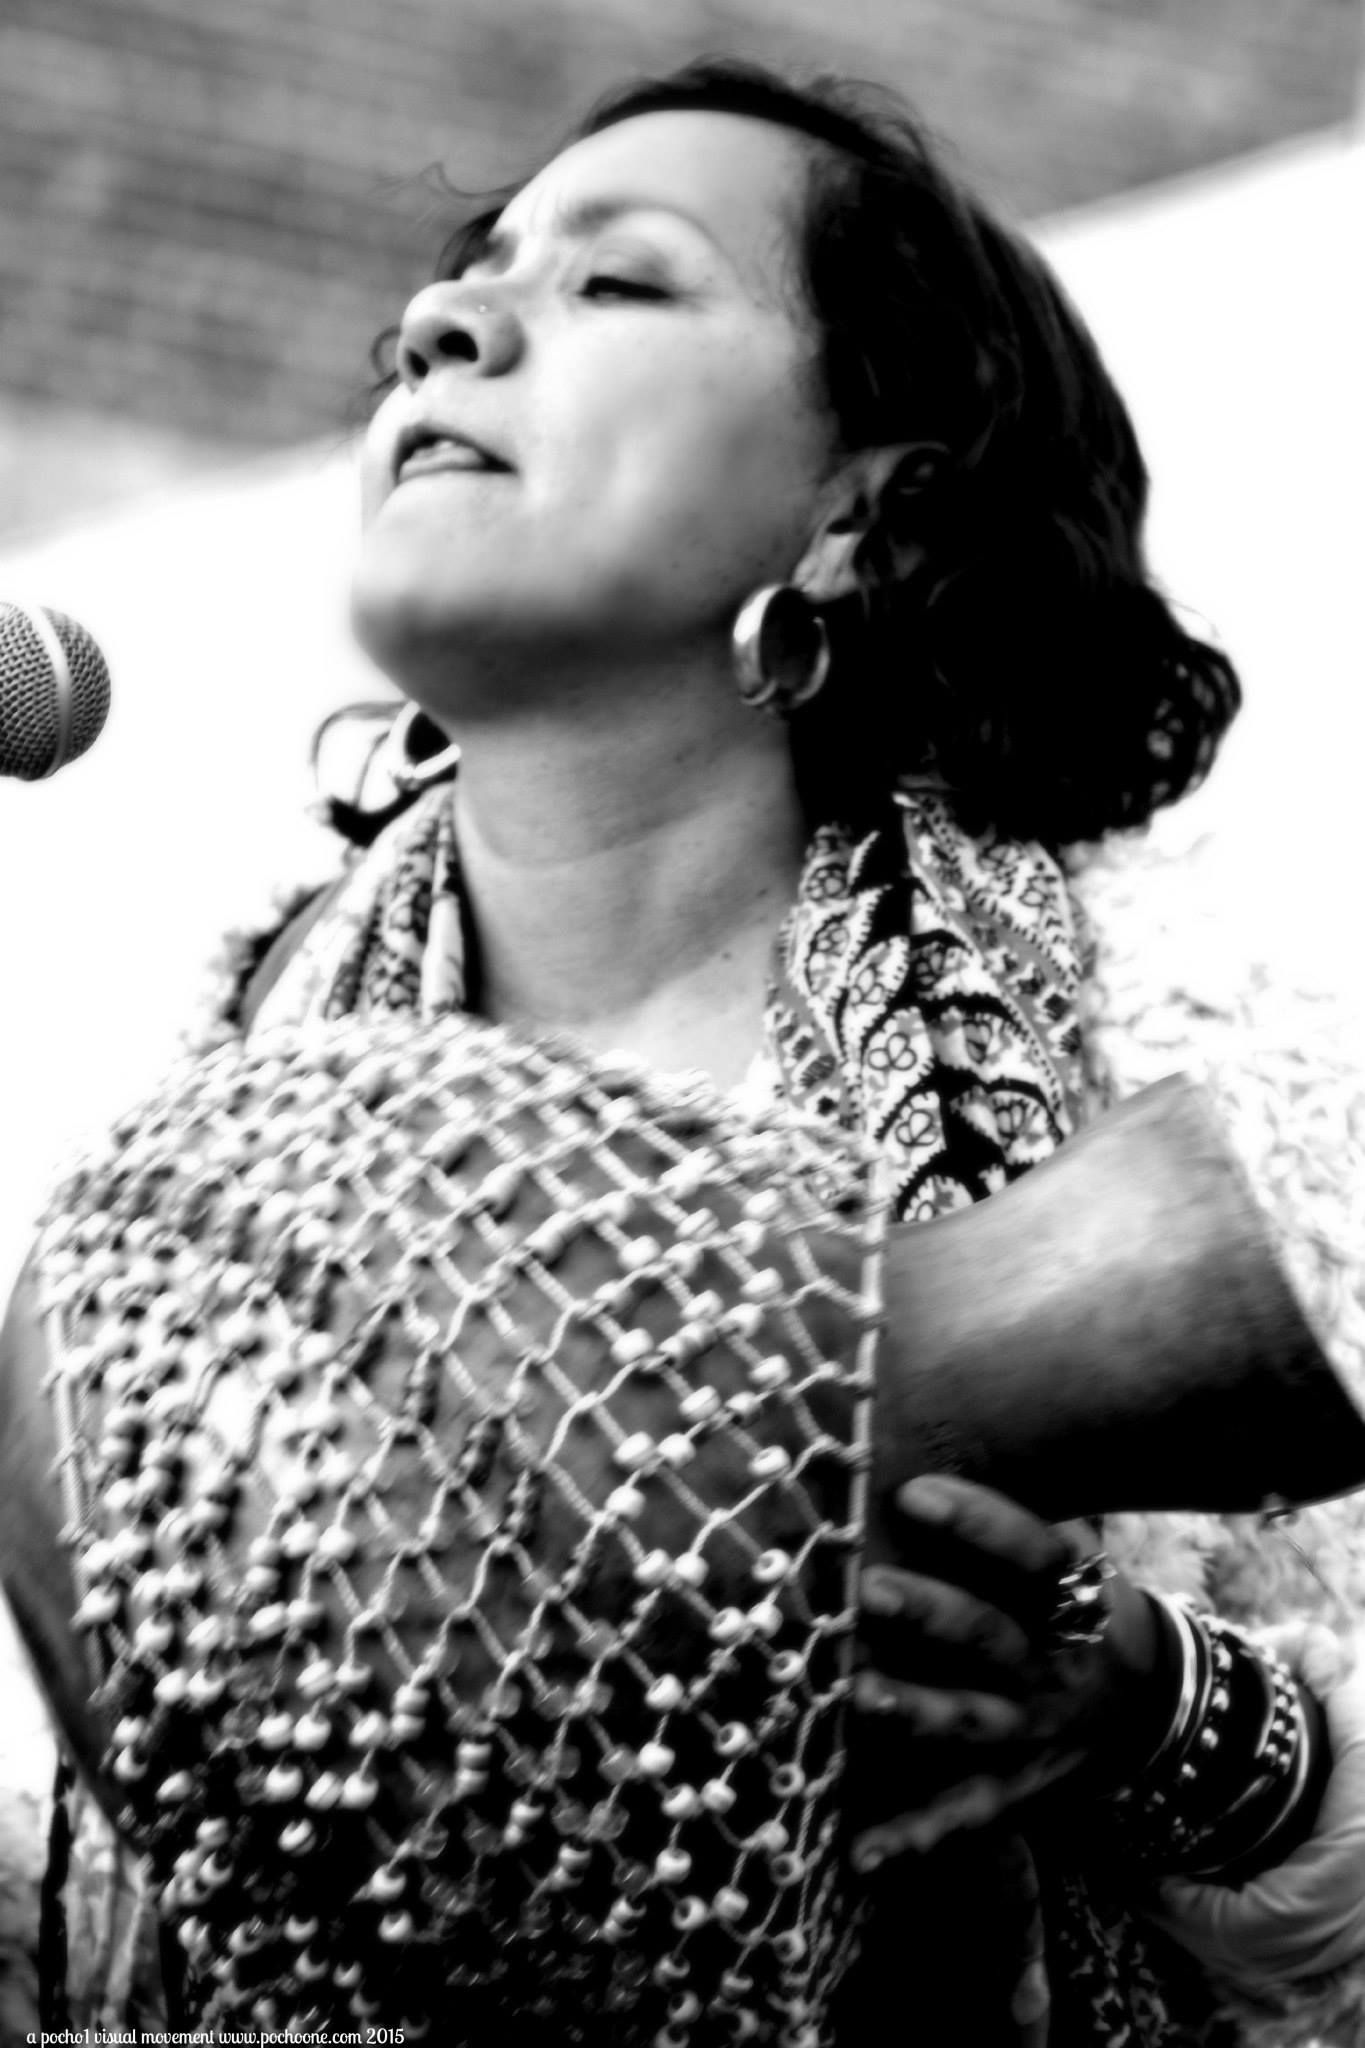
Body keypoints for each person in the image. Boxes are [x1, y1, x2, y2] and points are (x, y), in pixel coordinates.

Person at [2, 56, 1364, 2048]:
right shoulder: (178, 1103)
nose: (444, 321)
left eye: (615, 284)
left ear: (859, 506)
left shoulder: (1197, 1084)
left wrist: (1158, 1712)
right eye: (465, 278)